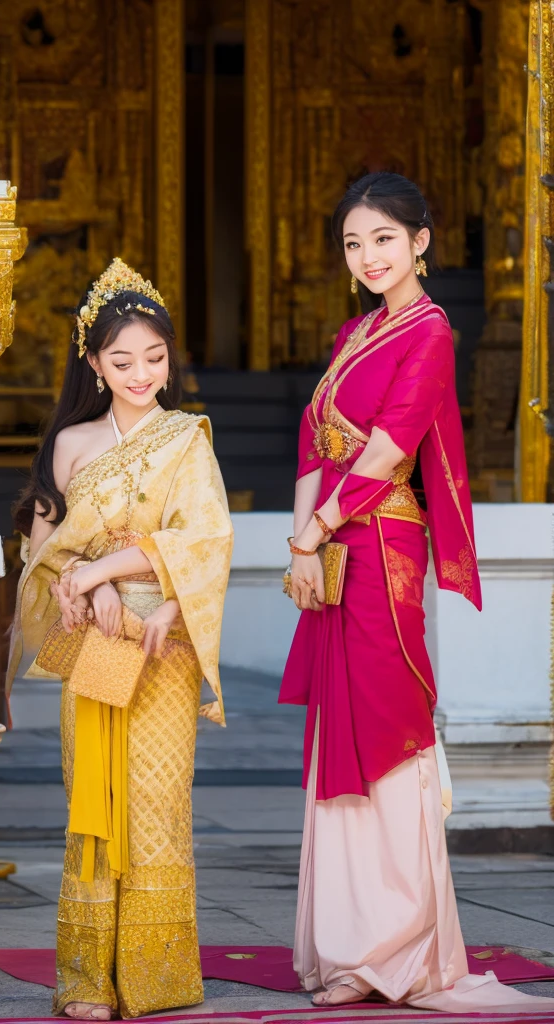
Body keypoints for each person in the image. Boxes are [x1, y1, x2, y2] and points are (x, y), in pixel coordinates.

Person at [279, 172, 554, 1012]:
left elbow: (386, 454)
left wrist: (311, 532)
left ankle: (394, 947)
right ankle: (346, 948)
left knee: (384, 729)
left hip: (381, 551)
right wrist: (302, 544)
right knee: (339, 733)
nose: (368, 257)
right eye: (355, 244)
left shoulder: (430, 334)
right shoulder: (354, 332)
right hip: (332, 547)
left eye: (385, 240)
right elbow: (314, 446)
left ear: (421, 240)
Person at [8, 258, 233, 1020]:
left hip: (160, 642)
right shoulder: (70, 444)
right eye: (123, 360)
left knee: (158, 800)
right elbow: (46, 554)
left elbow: (206, 536)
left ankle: (157, 976)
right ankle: (86, 980)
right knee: (94, 801)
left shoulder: (186, 438)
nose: (144, 374)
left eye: (157, 357)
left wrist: (144, 588)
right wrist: (91, 581)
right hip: (97, 639)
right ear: (94, 363)